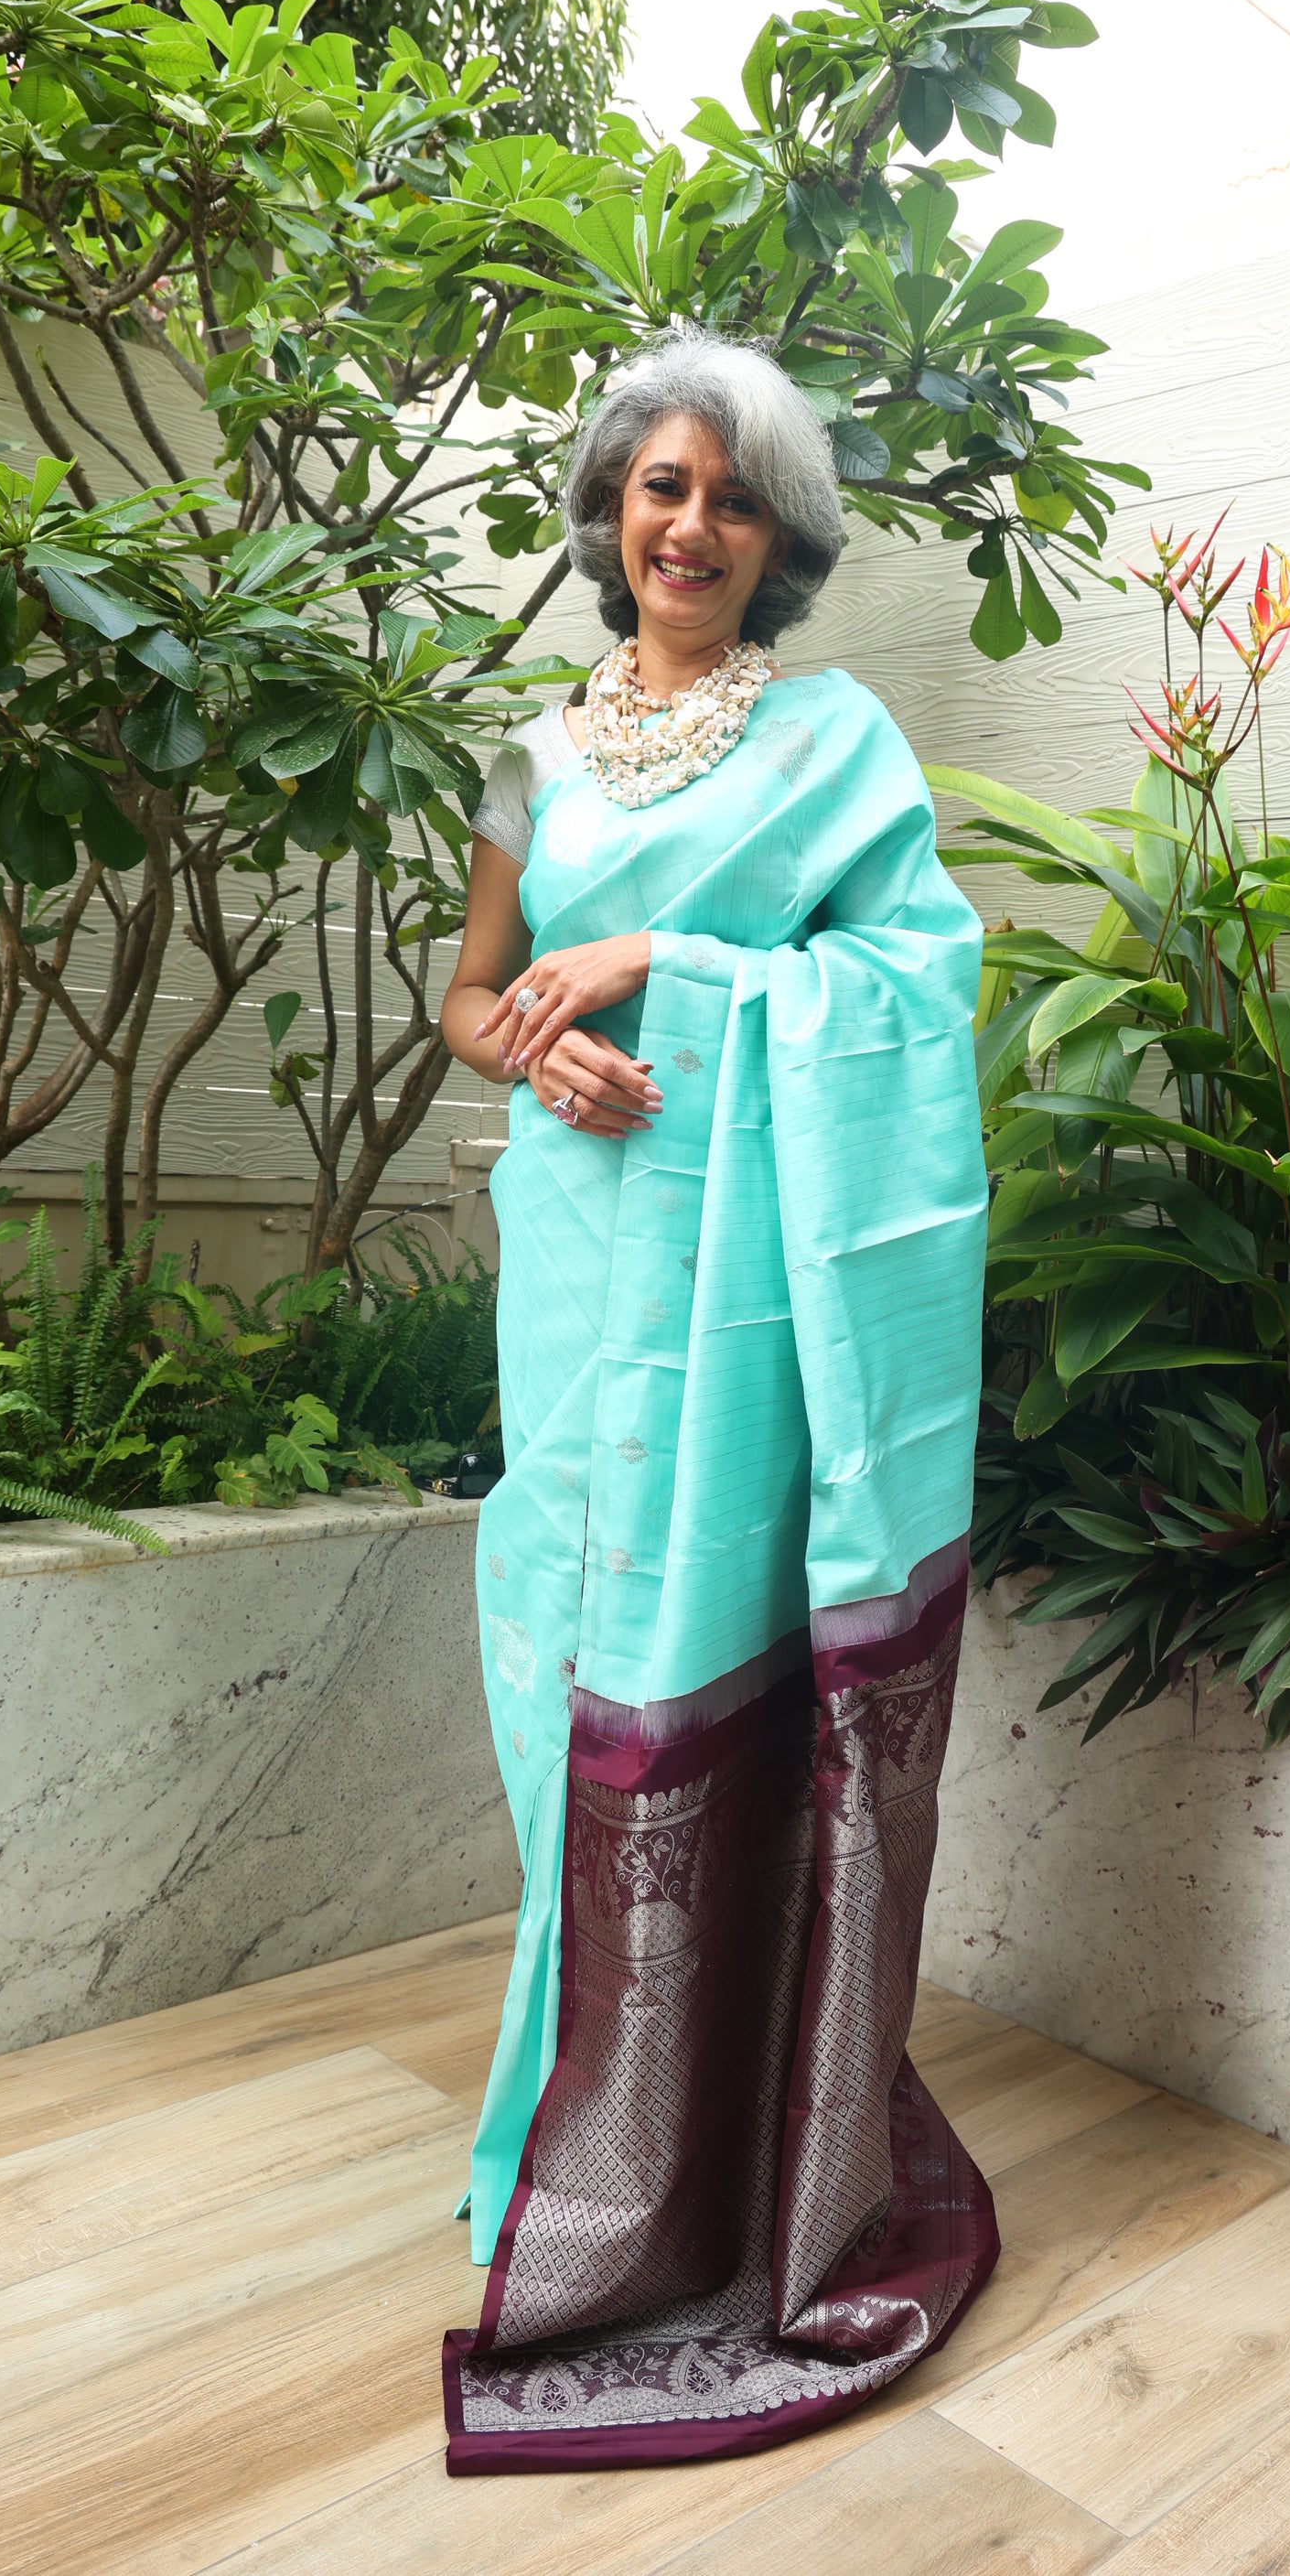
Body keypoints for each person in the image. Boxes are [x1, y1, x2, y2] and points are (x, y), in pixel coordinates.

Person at [435, 333, 995, 2473]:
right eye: (660, 486)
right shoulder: (525, 753)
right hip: (585, 1262)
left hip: (764, 1301)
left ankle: (721, 2145)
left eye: (733, 497)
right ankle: (564, 2124)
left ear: (779, 540)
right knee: (559, 1676)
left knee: (706, 1660)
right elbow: (470, 991)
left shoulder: (837, 742)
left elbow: (917, 983)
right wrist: (536, 1035)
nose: (689, 524)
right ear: (610, 510)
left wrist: (672, 964)